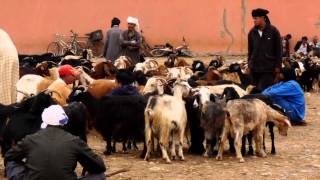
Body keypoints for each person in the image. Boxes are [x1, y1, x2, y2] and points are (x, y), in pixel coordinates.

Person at [5, 105, 106, 180]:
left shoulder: (30, 139)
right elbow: (100, 166)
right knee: (99, 175)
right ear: (63, 123)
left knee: (12, 163)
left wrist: (27, 166)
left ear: (44, 121)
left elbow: (9, 156)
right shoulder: (74, 140)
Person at [247, 8, 282, 91]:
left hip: (269, 69)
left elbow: (279, 51)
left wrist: (278, 68)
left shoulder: (273, 31)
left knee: (263, 90)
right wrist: (249, 66)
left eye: (256, 18)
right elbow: (250, 51)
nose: (254, 21)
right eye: (253, 19)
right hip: (255, 69)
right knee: (254, 91)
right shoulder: (252, 33)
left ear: (263, 18)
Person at [0, 29, 19, 105]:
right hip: (12, 56)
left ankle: (4, 109)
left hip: (5, 57)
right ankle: (11, 108)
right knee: (12, 85)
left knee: (3, 85)